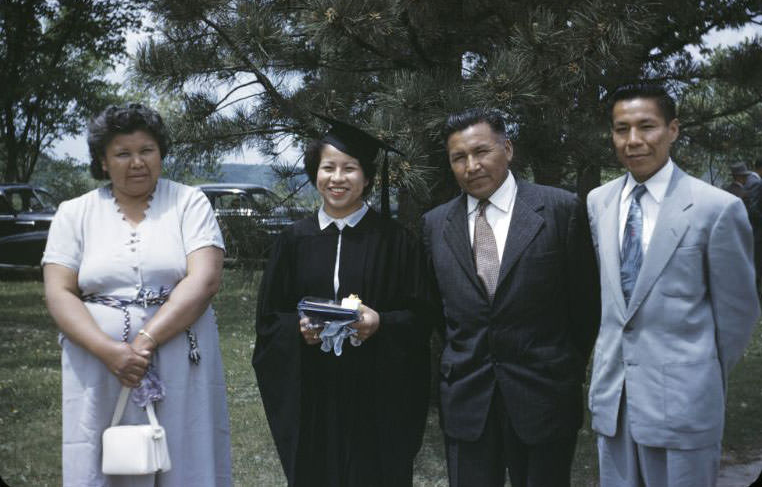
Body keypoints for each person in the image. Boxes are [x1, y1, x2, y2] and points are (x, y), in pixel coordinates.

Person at [42, 104, 232, 486]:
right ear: (102, 160)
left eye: (146, 150)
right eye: (123, 153)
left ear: (160, 152)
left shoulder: (189, 203)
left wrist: (146, 340)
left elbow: (205, 280)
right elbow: (59, 291)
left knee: (185, 451)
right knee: (103, 454)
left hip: (181, 355)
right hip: (97, 359)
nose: (137, 163)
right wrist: (109, 351)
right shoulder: (73, 213)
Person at [587, 83, 760, 486]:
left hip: (684, 401)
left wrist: (696, 375)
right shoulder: (599, 201)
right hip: (614, 400)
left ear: (673, 130)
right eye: (621, 129)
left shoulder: (716, 208)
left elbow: (737, 315)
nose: (633, 141)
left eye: (646, 126)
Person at [421, 108, 600, 487]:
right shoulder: (436, 224)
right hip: (468, 401)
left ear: (508, 148)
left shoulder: (559, 210)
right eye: (458, 157)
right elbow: (439, 311)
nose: (471, 166)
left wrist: (563, 366)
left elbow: (585, 307)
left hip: (543, 396)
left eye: (481, 151)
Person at [252, 115, 432, 486]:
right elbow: (269, 320)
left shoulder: (397, 242)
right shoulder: (292, 241)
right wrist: (297, 329)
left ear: (367, 177)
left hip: (377, 391)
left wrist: (381, 323)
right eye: (327, 168)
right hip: (313, 390)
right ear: (314, 173)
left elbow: (423, 316)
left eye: (349, 169)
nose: (337, 178)